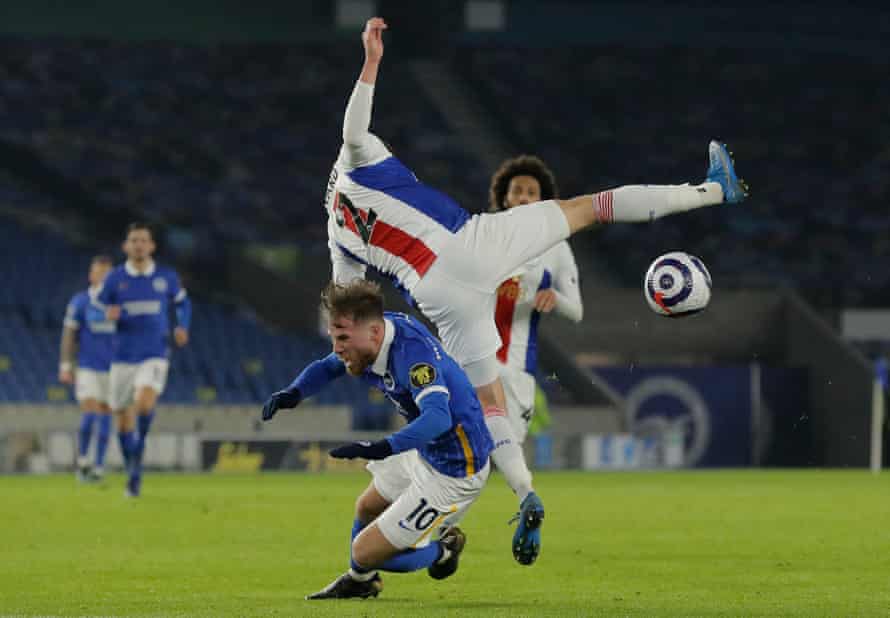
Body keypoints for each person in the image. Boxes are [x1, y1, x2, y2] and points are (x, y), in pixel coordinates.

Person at [324, 16, 747, 563]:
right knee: (589, 208)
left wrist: (359, 356)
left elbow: (347, 297)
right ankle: (713, 189)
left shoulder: (336, 226)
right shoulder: (356, 161)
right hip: (467, 243)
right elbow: (356, 130)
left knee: (484, 403)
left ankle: (513, 496)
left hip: (434, 295)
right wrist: (372, 62)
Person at [262, 280, 493, 599]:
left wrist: (383, 447)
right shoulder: (376, 336)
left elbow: (439, 418)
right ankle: (362, 582)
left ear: (372, 333)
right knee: (367, 507)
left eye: (342, 338)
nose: (337, 347)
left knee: (365, 552)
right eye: (333, 337)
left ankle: (444, 550)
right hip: (425, 448)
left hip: (455, 469)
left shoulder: (413, 358)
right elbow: (329, 367)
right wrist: (294, 393)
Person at [96, 223, 191, 497]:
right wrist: (107, 313)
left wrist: (182, 325)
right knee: (123, 421)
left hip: (154, 354)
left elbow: (183, 303)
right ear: (126, 246)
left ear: (151, 246)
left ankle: (140, 447)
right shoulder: (114, 279)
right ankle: (133, 471)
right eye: (134, 240)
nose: (138, 245)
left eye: (143, 240)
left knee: (144, 402)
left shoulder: (166, 277)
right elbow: (99, 306)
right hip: (122, 357)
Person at [59, 255, 115, 482]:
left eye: (107, 274)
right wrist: (65, 365)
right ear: (90, 276)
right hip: (88, 367)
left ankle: (99, 466)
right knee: (90, 411)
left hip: (115, 369)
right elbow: (69, 335)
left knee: (105, 416)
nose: (102, 277)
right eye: (98, 273)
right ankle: (83, 461)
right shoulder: (80, 302)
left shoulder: (119, 305)